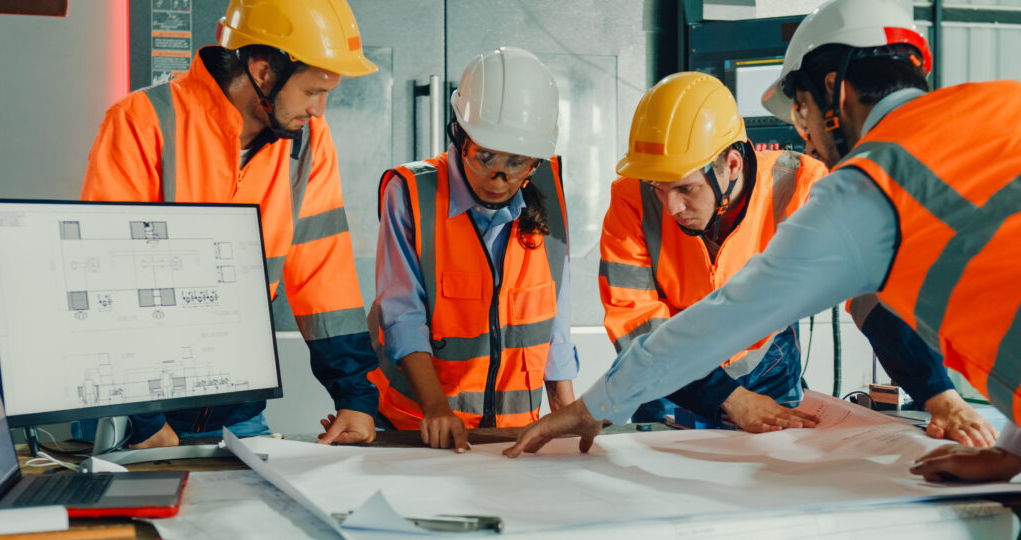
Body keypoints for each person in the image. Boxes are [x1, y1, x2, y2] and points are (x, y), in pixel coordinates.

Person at [505, 0, 1017, 483]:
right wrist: (1012, 453)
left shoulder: (864, 184)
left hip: (736, 385)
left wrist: (593, 407)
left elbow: (735, 317)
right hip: (675, 398)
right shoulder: (1004, 106)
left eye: (803, 111)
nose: (809, 133)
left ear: (835, 92)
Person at [600, 72, 990, 436]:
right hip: (671, 379)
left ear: (731, 164)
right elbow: (636, 325)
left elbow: (873, 295)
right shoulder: (630, 200)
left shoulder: (800, 185)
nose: (671, 207)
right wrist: (729, 399)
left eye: (685, 189)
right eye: (658, 188)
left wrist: (940, 395)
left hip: (766, 368)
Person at [81, 0, 380, 447]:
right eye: (313, 91)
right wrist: (143, 419)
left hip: (238, 416)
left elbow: (325, 277)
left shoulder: (308, 144)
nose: (319, 109)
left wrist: (355, 397)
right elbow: (106, 278)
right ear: (263, 72)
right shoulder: (143, 122)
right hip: (135, 417)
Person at [363, 47, 578, 452]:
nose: (498, 178)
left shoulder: (548, 190)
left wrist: (566, 411)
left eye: (516, 163)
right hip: (419, 428)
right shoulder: (411, 193)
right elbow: (401, 313)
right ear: (459, 136)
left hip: (516, 434)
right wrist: (434, 408)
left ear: (535, 162)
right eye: (484, 156)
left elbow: (555, 320)